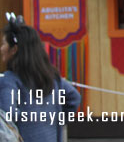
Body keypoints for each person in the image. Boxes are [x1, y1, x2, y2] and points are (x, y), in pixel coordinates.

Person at [0, 14, 81, 142]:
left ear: (14, 49)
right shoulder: (52, 76)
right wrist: (57, 120)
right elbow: (74, 98)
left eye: (3, 44)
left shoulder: (9, 80)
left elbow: (7, 116)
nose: (1, 49)